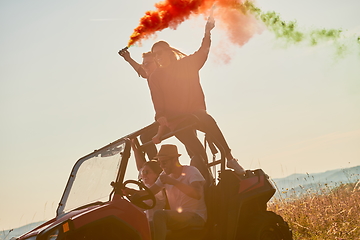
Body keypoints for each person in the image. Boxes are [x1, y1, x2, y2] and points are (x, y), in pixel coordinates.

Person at [148, 17, 245, 175]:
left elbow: (203, 52)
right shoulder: (155, 77)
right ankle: (206, 183)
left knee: (208, 120)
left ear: (169, 52)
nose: (157, 57)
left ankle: (230, 159)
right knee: (198, 151)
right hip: (175, 120)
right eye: (154, 55)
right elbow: (157, 99)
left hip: (194, 112)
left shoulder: (187, 64)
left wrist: (207, 33)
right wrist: (160, 116)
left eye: (160, 53)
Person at [148, 144, 207, 240]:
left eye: (164, 162)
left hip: (196, 217)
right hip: (178, 217)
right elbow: (149, 193)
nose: (162, 166)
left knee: (159, 215)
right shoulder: (164, 175)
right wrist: (131, 192)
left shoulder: (191, 171)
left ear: (174, 159)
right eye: (160, 163)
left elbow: (197, 194)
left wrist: (173, 182)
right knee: (144, 224)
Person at [118, 49, 158, 159]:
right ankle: (155, 167)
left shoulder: (164, 75)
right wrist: (129, 59)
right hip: (163, 117)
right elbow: (142, 71)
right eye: (144, 63)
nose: (145, 66)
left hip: (176, 115)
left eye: (148, 63)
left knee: (146, 136)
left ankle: (156, 168)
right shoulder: (150, 76)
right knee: (145, 136)